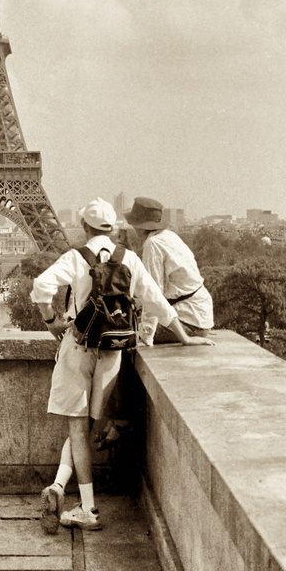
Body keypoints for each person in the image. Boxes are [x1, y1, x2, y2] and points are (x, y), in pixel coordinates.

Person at [32, 197, 213, 533]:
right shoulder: (128, 257)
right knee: (89, 428)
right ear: (113, 228)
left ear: (84, 226)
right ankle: (59, 487)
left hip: (78, 347)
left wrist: (51, 321)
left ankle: (87, 507)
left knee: (76, 429)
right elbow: (157, 302)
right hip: (112, 352)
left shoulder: (76, 257)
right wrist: (185, 339)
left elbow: (41, 287)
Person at [124, 197, 213, 342]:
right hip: (199, 317)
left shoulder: (152, 244)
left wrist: (146, 334)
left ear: (139, 226)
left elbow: (152, 292)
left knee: (123, 333)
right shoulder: (169, 236)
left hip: (188, 322)